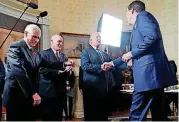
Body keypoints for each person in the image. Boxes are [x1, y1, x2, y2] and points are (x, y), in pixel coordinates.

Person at [104, 0, 177, 121]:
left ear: (132, 10)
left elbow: (151, 37)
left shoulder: (143, 17)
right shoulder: (137, 26)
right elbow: (136, 52)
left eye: (126, 13)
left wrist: (132, 53)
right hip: (153, 77)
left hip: (147, 77)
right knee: (159, 114)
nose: (126, 17)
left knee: (136, 115)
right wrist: (113, 63)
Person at [2, 24, 73, 121]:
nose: (36, 40)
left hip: (29, 97)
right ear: (26, 34)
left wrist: (64, 64)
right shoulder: (15, 47)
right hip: (16, 96)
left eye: (38, 38)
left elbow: (47, 63)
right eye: (34, 36)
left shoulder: (34, 51)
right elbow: (19, 73)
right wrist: (33, 93)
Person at [80, 32, 123, 121]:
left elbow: (112, 64)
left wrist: (123, 60)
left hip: (104, 89)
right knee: (92, 115)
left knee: (103, 114)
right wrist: (100, 67)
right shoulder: (86, 51)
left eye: (100, 37)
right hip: (91, 88)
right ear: (90, 40)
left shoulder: (104, 54)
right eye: (97, 37)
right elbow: (85, 66)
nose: (99, 38)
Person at [38, 34, 73, 121]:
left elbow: (65, 75)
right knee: (48, 117)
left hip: (60, 92)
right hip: (48, 91)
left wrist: (69, 70)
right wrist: (57, 72)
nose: (60, 43)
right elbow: (41, 70)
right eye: (59, 41)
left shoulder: (64, 56)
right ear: (51, 42)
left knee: (58, 117)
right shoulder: (43, 54)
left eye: (62, 42)